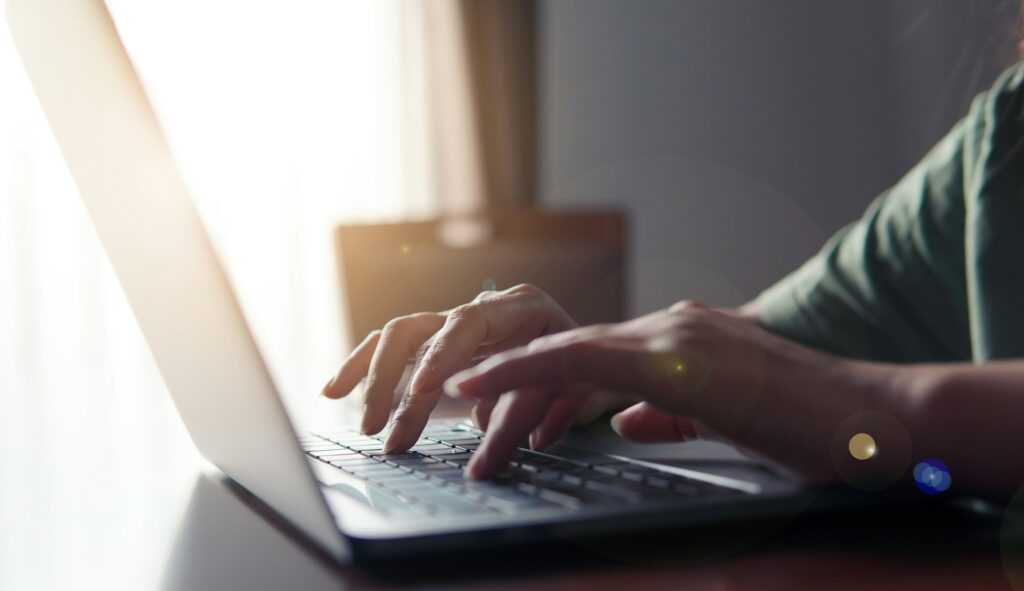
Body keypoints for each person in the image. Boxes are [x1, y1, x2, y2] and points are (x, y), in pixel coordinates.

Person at [322, 62, 1024, 500]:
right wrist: (589, 358)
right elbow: (764, 346)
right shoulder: (1008, 133)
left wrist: (863, 405)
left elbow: (810, 390)